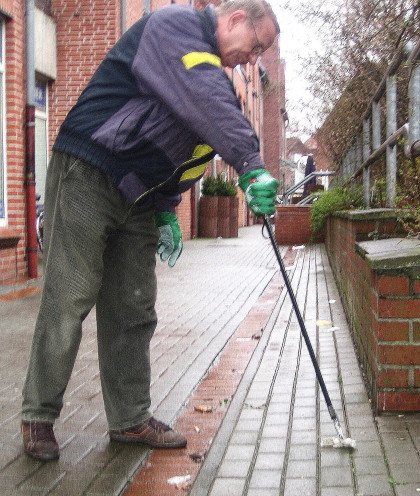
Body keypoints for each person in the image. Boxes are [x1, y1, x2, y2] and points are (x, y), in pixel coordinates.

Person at [21, 0, 280, 461]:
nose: (252, 59)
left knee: (134, 306)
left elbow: (192, 153)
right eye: (254, 46)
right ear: (236, 19)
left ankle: (130, 420)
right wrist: (251, 165)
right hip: (89, 168)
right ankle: (38, 416)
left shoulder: (211, 78)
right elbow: (206, 99)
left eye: (260, 54)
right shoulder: (174, 27)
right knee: (71, 295)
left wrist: (166, 209)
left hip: (137, 196)